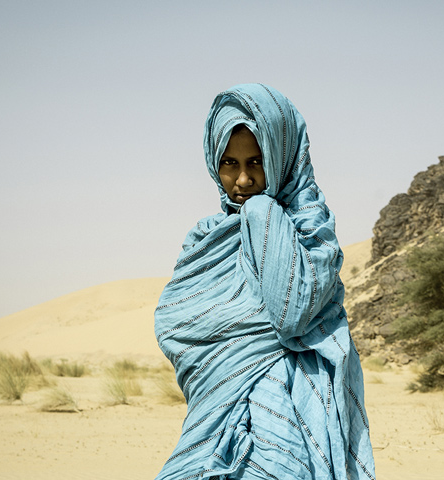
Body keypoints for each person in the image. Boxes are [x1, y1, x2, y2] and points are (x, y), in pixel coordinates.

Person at [154, 83, 375, 480]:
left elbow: (294, 314)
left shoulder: (305, 228)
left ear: (282, 155)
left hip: (286, 409)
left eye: (256, 162)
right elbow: (176, 327)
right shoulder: (205, 237)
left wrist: (264, 217)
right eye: (229, 163)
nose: (242, 180)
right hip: (217, 410)